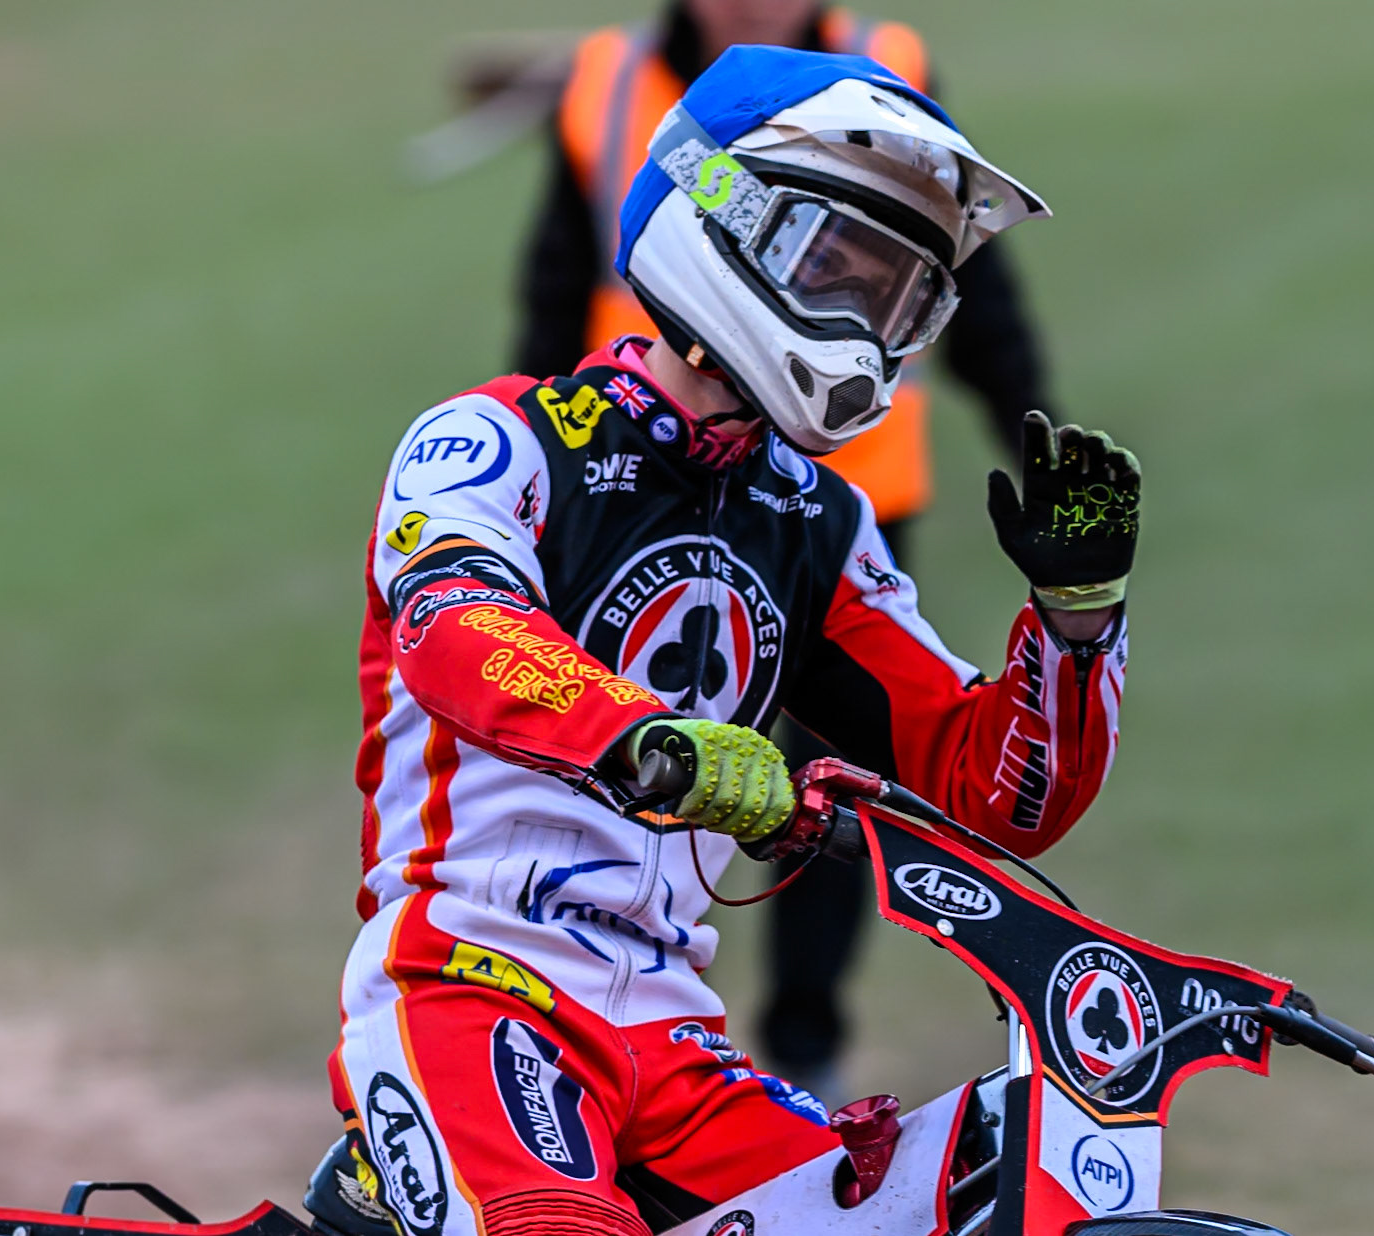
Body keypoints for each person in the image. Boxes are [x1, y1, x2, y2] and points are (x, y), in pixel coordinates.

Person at [318, 48, 1138, 1236]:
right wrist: (662, 746)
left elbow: (989, 791)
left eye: (898, 296)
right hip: (472, 991)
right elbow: (459, 635)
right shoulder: (492, 442)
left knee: (955, 1208)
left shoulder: (814, 517)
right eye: (838, 271)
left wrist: (1076, 622)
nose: (866, 323)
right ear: (722, 216)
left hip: (671, 1037)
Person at [515, 0, 1060, 1094]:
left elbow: (969, 282)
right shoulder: (607, 81)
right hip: (625, 481)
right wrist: (541, 453)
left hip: (842, 491)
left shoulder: (887, 63)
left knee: (826, 780)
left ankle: (801, 1037)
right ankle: (562, 999)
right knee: (611, 749)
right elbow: (553, 282)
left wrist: (1033, 442)